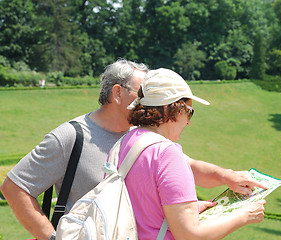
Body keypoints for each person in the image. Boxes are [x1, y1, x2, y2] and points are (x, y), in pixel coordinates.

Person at [0, 59, 267, 240]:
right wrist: (53, 238)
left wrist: (225, 176)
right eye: (143, 92)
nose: (145, 100)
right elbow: (13, 187)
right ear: (118, 93)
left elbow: (183, 169)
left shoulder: (133, 138)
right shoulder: (72, 136)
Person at [121, 68, 266, 239]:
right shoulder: (166, 153)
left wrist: (188, 208)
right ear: (170, 109)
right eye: (189, 111)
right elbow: (190, 235)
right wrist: (244, 215)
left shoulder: (128, 140)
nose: (189, 122)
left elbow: (145, 207)